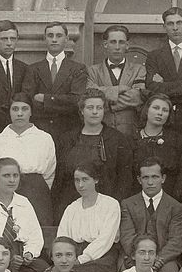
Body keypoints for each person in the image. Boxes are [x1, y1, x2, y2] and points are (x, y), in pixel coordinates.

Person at [56, 161, 122, 272]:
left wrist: (81, 259)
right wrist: (68, 257)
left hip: (102, 255)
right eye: (77, 180)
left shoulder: (110, 204)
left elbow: (105, 240)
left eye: (85, 179)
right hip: (75, 254)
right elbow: (62, 237)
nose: (80, 184)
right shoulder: (72, 208)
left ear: (96, 180)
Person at [54, 88, 133, 218]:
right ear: (81, 111)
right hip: (70, 204)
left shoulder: (117, 139)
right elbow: (59, 177)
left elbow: (124, 178)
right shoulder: (67, 139)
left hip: (104, 207)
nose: (95, 112)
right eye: (90, 107)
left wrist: (114, 206)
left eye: (99, 108)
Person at [120, 157, 182, 272]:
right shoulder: (128, 204)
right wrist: (141, 257)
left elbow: (176, 241)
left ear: (163, 178)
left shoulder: (175, 206)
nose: (150, 182)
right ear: (139, 179)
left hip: (164, 257)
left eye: (155, 177)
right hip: (133, 255)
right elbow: (127, 236)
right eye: (145, 177)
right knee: (126, 271)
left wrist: (157, 261)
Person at [0, 93, 56, 225]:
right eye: (15, 109)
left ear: (31, 112)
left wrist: (36, 187)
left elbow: (49, 172)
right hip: (7, 191)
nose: (19, 113)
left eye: (24, 109)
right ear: (9, 112)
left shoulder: (44, 138)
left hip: (36, 193)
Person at [22, 21, 88, 138]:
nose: (54, 39)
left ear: (66, 39)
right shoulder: (32, 69)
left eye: (59, 36)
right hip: (39, 130)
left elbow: (76, 100)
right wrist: (62, 102)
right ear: (44, 38)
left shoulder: (78, 68)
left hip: (68, 130)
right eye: (50, 35)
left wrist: (45, 99)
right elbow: (29, 100)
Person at [86, 25, 146, 136]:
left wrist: (107, 105)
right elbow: (90, 96)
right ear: (105, 44)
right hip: (101, 132)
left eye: (121, 42)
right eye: (113, 42)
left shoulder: (139, 70)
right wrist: (119, 89)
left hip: (130, 133)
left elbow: (137, 97)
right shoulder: (92, 71)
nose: (117, 47)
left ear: (127, 45)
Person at [131, 93, 182, 198]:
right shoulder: (132, 139)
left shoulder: (175, 140)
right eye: (156, 108)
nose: (160, 113)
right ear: (147, 110)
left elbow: (181, 172)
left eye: (165, 110)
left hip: (169, 198)